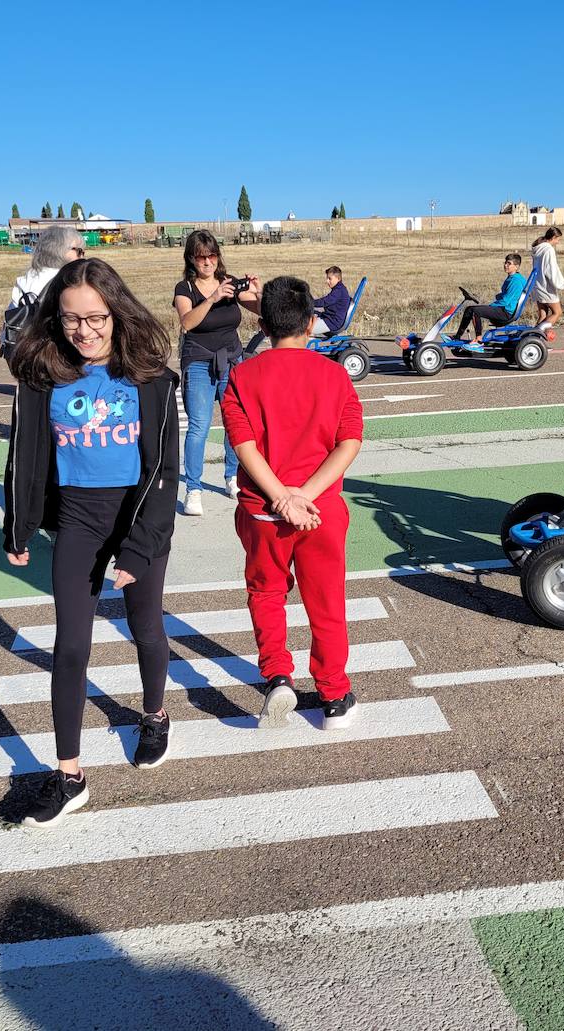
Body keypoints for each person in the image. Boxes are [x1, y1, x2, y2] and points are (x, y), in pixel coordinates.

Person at [3, 257, 180, 828]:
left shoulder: (150, 378)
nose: (85, 330)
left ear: (117, 312)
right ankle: (69, 776)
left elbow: (165, 472)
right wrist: (18, 526)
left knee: (145, 627)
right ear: (56, 319)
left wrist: (140, 545)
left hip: (135, 518)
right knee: (70, 646)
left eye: (96, 317)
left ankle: (155, 716)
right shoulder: (42, 377)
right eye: (72, 319)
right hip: (76, 521)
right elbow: (24, 456)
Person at [221, 276, 364, 731]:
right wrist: (306, 494)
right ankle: (335, 694)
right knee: (326, 599)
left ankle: (278, 674)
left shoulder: (243, 376)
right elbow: (349, 442)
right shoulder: (335, 374)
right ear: (310, 323)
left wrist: (281, 498)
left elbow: (244, 446)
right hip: (320, 509)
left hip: (264, 510)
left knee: (266, 591)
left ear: (262, 324)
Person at [173, 230, 260, 517]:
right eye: (201, 256)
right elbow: (187, 322)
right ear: (192, 258)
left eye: (212, 255)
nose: (208, 262)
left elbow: (260, 309)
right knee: (199, 426)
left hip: (231, 358)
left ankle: (232, 477)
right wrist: (211, 298)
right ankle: (193, 490)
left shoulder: (230, 283)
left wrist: (258, 292)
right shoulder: (184, 288)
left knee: (235, 420)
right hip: (198, 360)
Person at [0, 226, 86, 362]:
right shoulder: (68, 280)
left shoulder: (25, 280)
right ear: (59, 250)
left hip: (22, 353)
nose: (83, 256)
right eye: (79, 251)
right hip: (55, 357)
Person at [454, 253, 527, 341]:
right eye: (505, 262)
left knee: (474, 311)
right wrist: (499, 296)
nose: (505, 265)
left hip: (506, 312)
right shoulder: (513, 278)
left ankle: (478, 339)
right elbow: (509, 295)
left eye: (509, 263)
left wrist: (491, 306)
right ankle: (457, 337)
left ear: (516, 266)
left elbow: (506, 301)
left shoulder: (515, 281)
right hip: (506, 309)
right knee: (469, 309)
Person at [531, 227, 564, 331]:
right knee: (557, 312)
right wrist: (562, 284)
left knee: (543, 316)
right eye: (558, 239)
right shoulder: (548, 249)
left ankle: (535, 342)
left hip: (537, 285)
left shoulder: (538, 249)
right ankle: (537, 334)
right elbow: (551, 270)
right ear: (553, 237)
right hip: (545, 287)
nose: (558, 242)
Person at [310, 266, 351, 336]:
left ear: (338, 279)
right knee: (308, 313)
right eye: (327, 278)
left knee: (303, 328)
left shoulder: (339, 290)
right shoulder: (339, 288)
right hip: (330, 318)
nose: (327, 281)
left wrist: (309, 302)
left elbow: (325, 301)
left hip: (332, 322)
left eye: (330, 279)